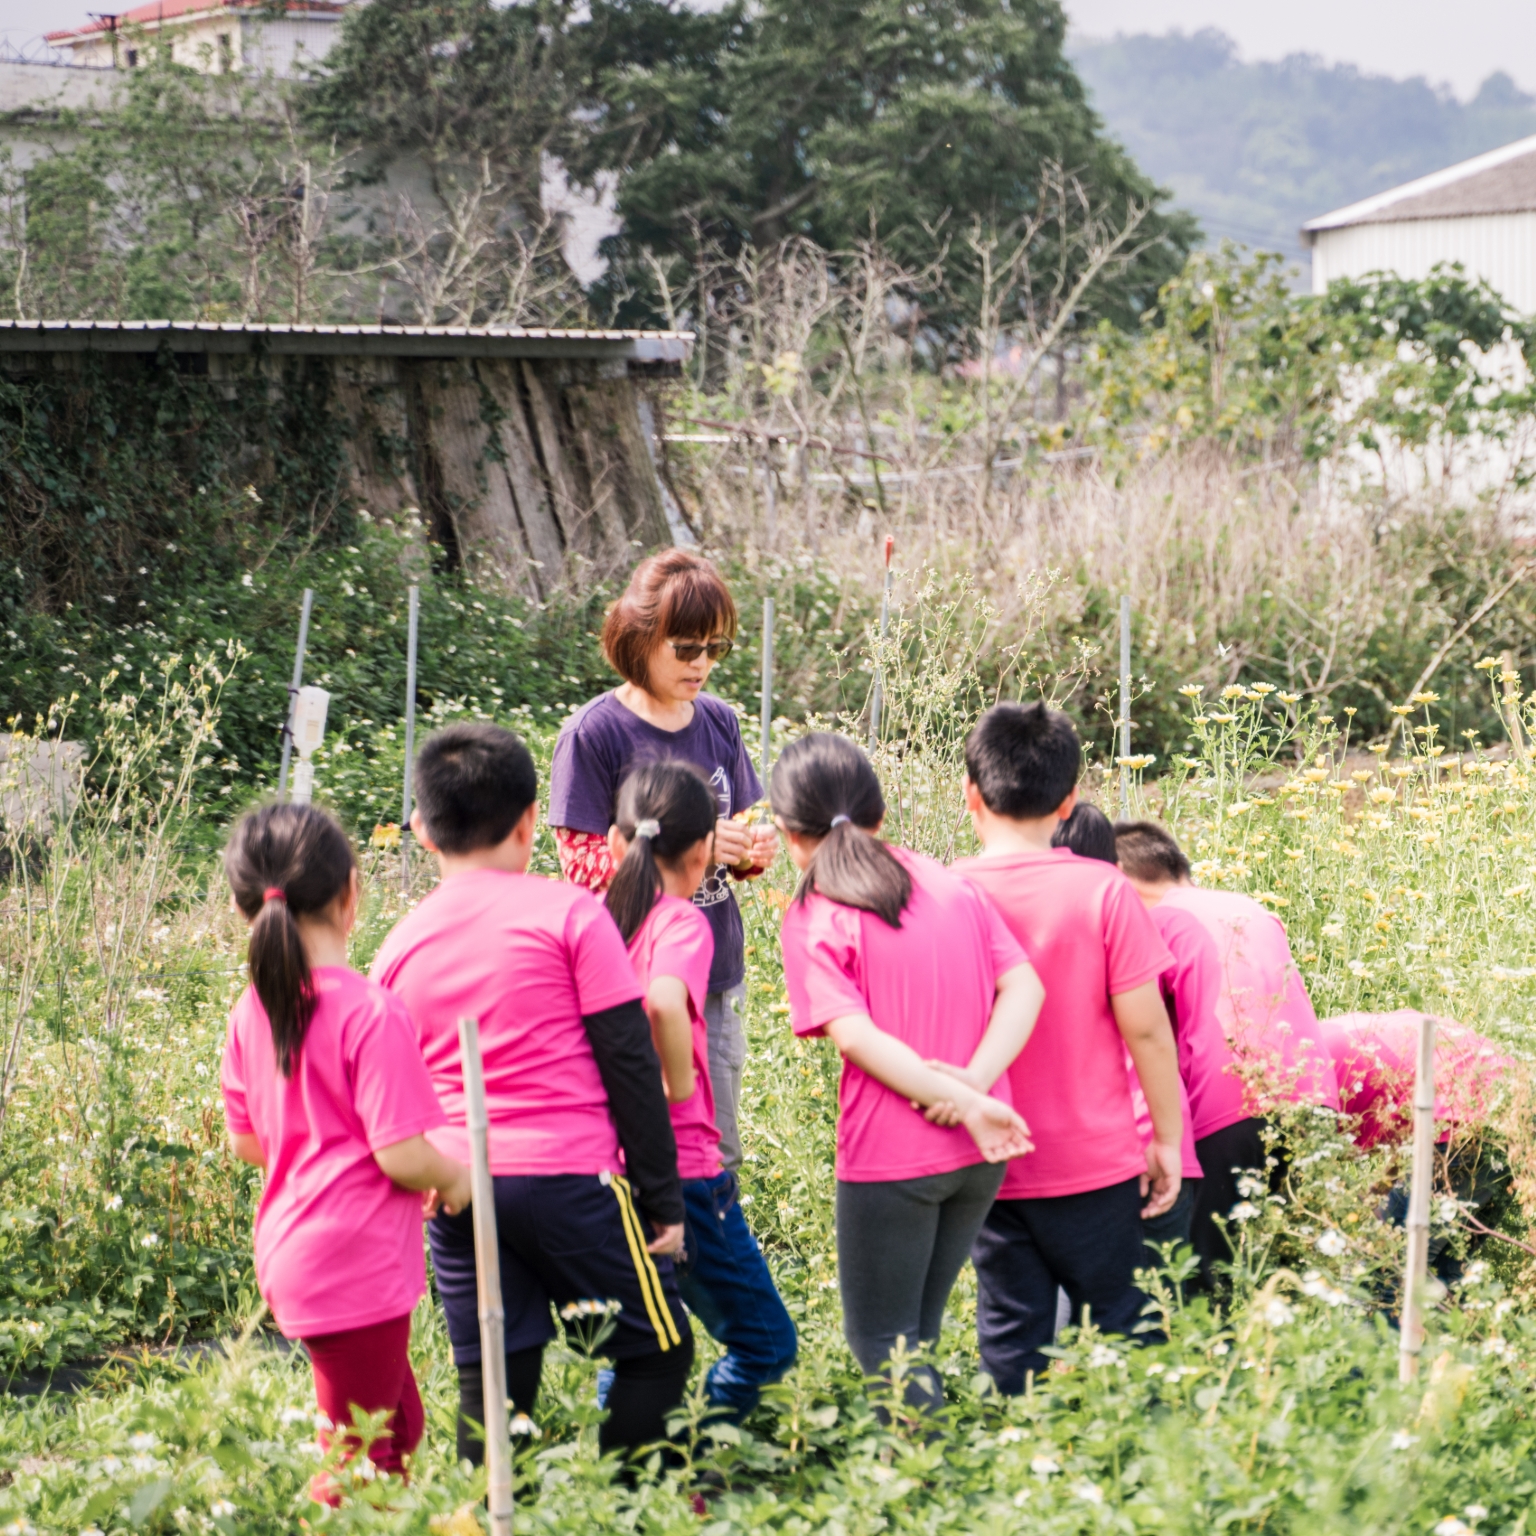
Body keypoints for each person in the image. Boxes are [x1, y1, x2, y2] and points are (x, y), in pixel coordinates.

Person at [370, 723, 694, 1465]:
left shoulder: (398, 948)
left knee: (494, 1384)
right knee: (660, 1349)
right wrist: (663, 1201)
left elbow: (397, 1090)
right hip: (568, 1181)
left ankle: (495, 1512)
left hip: (460, 1191)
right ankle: (628, 1504)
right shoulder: (571, 914)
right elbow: (629, 1061)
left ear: (422, 830)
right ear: (528, 821)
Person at [772, 732, 1043, 1413]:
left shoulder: (814, 912)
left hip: (893, 1155)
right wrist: (974, 1087)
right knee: (916, 1336)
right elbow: (1025, 987)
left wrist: (960, 1098)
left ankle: (924, 1473)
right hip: (978, 1152)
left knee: (883, 1344)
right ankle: (941, 1465)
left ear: (787, 832)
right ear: (881, 812)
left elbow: (857, 1037)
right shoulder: (953, 883)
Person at [220, 803, 470, 1503]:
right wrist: (453, 1174)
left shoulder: (252, 1011)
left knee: (399, 1426)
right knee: (359, 1459)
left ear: (245, 910)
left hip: (296, 1251)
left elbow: (247, 1141)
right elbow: (401, 1154)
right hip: (353, 1260)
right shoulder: (370, 1011)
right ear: (351, 892)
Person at [953, 703, 1183, 1395]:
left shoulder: (948, 892)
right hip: (1096, 1162)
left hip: (989, 1159)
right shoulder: (1104, 890)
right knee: (1124, 1327)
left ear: (971, 795)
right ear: (1068, 800)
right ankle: (1131, 1453)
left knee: (1010, 1333)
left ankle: (1018, 1450)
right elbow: (1148, 1030)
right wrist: (1166, 1139)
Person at [549, 549, 779, 1177]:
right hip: (628, 976)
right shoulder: (594, 734)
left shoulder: (719, 721)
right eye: (686, 648)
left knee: (716, 1150)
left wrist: (749, 852)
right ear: (641, 637)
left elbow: (743, 824)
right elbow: (580, 864)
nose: (702, 663)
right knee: (632, 1148)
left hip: (714, 971)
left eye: (715, 648)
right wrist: (692, 847)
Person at [605, 759, 798, 1418]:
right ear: (703, 854)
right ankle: (699, 1444)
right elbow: (664, 1000)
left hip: (613, 1171)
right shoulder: (680, 923)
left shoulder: (597, 923)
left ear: (615, 844)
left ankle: (623, 1461)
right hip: (685, 1172)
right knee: (767, 1344)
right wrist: (677, 1081)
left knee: (640, 1344)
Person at [1113, 819, 1337, 1271]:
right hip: (1315, 1097)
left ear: (1119, 878)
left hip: (1231, 1105)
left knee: (1203, 1272)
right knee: (1286, 1265)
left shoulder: (1154, 923)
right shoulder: (1250, 909)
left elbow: (1146, 1036)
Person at [1053, 803, 1208, 1259]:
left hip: (1089, 1153)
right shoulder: (1128, 921)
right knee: (1163, 1289)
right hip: (1160, 1141)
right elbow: (1154, 1035)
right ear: (1116, 868)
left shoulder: (1035, 932)